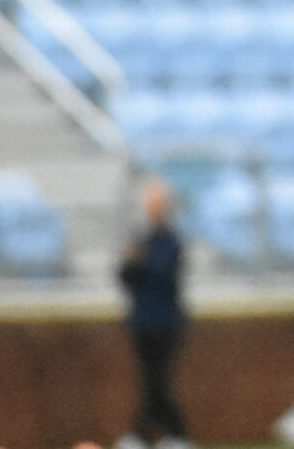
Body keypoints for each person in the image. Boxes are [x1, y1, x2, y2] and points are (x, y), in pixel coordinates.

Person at [117, 178, 189, 449]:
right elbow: (126, 276)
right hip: (142, 321)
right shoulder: (142, 239)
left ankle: (170, 435)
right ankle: (156, 436)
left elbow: (163, 275)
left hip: (166, 322)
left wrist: (139, 262)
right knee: (150, 381)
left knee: (158, 381)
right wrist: (133, 262)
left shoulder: (170, 241)